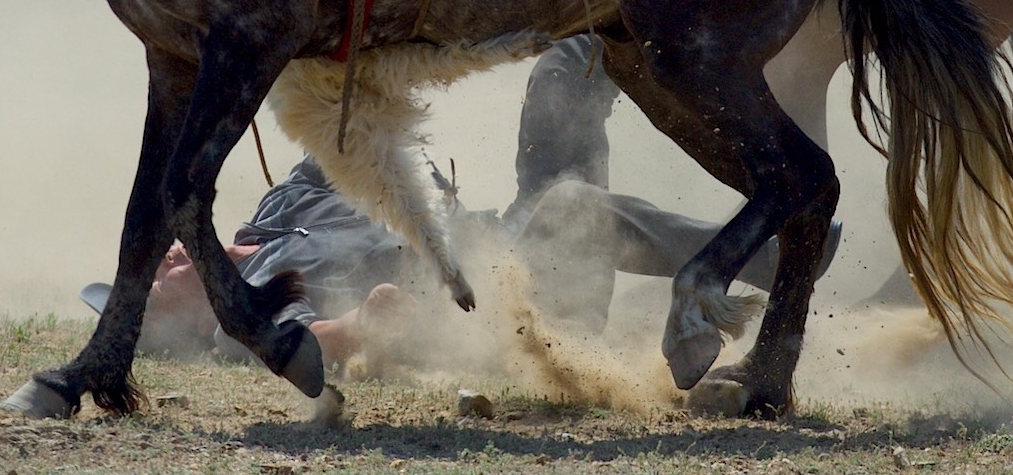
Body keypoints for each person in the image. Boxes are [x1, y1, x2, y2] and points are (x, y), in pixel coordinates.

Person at [115, 38, 827, 363]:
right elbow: (312, 342)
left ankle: (727, 31)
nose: (161, 264)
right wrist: (365, 321)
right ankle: (771, 254)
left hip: (501, 231)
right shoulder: (245, 323)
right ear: (184, 314)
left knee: (574, 56)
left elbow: (345, 137)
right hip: (516, 309)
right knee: (573, 210)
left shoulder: (271, 215)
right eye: (156, 290)